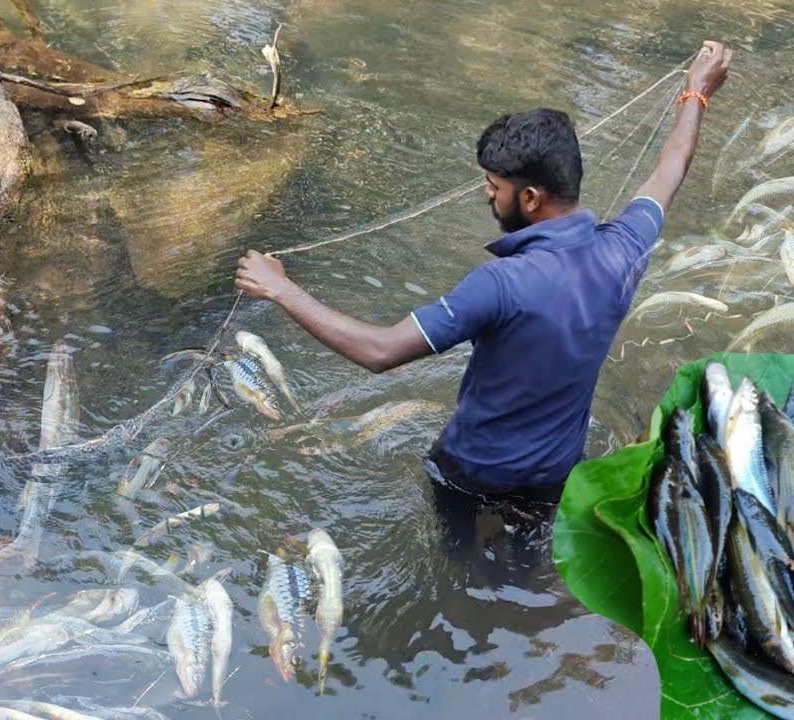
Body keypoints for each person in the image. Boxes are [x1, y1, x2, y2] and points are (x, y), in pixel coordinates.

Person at [235, 42, 732, 514]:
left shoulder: (499, 284)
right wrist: (696, 93)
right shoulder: (626, 248)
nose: (486, 196)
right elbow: (672, 166)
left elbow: (380, 352)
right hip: (556, 474)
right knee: (525, 564)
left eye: (495, 187)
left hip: (471, 475)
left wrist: (280, 288)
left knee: (461, 569)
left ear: (532, 197)